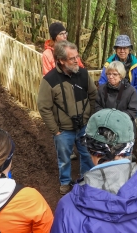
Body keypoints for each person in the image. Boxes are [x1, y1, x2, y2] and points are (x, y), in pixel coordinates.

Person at [37, 41, 97, 195]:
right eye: (72, 58)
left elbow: (93, 95)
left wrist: (91, 119)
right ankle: (65, 181)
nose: (77, 60)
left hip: (84, 126)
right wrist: (55, 130)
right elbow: (44, 107)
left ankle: (85, 179)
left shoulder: (83, 74)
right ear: (61, 61)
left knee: (87, 155)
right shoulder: (49, 80)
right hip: (63, 130)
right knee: (64, 158)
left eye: (77, 56)